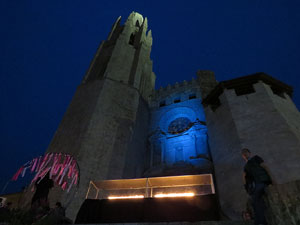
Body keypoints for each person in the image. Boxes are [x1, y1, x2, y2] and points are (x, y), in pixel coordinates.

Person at [241, 148, 272, 225]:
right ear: (243, 156)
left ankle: (260, 222)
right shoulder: (246, 166)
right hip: (256, 185)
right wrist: (246, 187)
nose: (245, 154)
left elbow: (265, 167)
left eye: (246, 152)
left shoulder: (256, 158)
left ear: (249, 153)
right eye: (243, 154)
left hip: (262, 182)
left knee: (255, 200)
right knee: (256, 201)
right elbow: (244, 177)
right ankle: (260, 221)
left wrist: (272, 180)